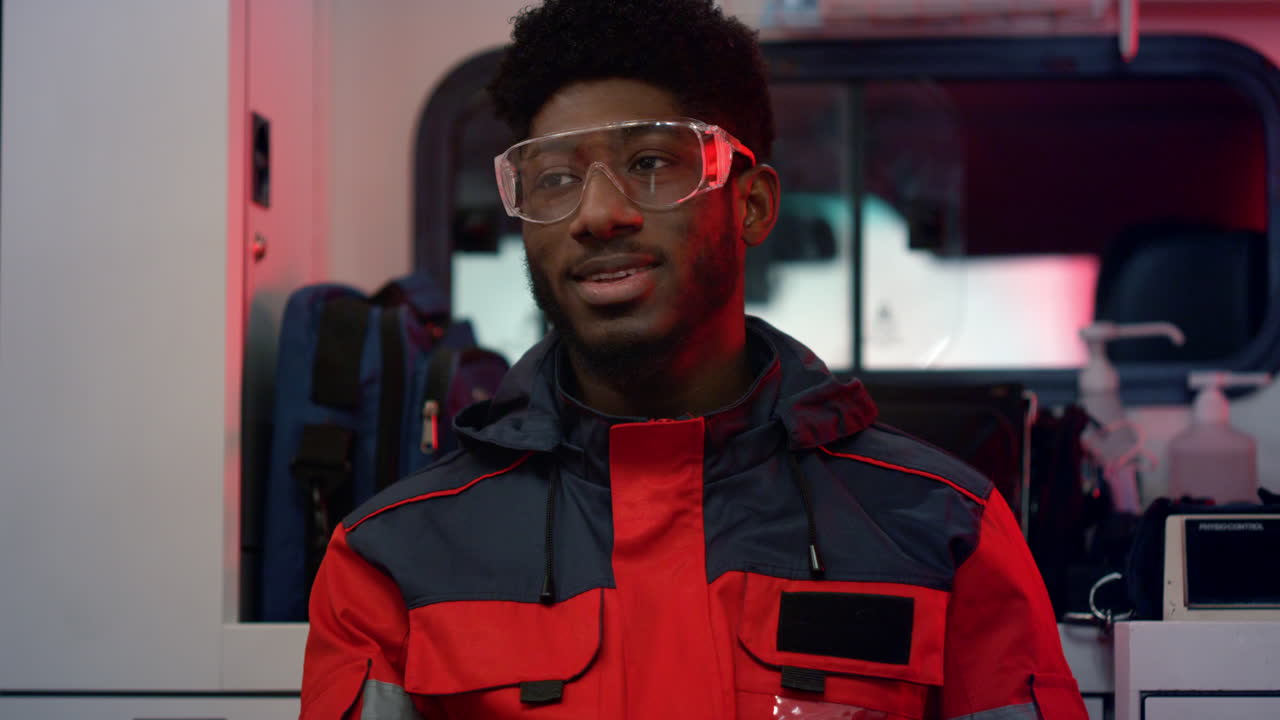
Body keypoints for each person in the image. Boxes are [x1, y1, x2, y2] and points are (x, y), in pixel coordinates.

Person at [300, 1, 1088, 718]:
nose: (599, 213)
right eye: (555, 179)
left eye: (649, 164)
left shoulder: (944, 530)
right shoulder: (393, 557)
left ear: (750, 203)